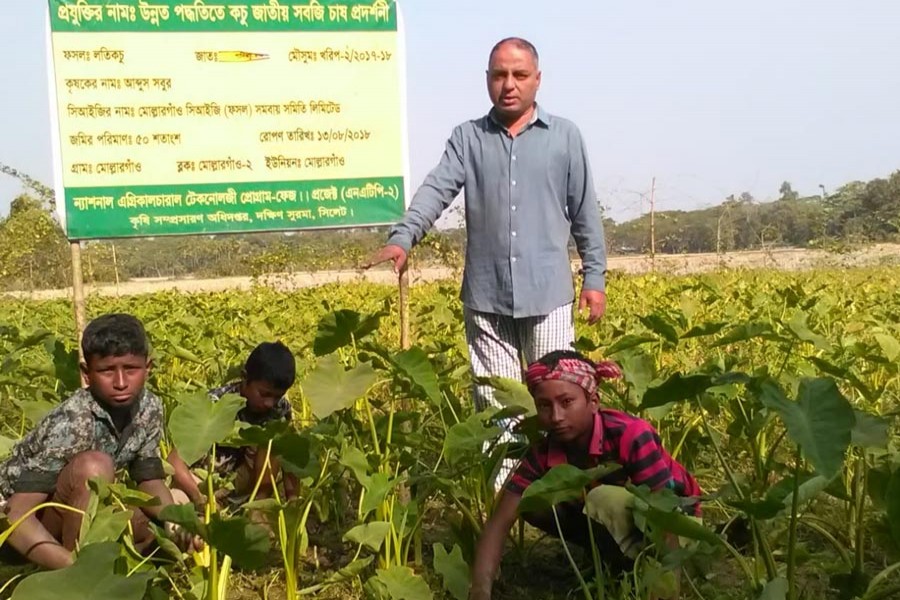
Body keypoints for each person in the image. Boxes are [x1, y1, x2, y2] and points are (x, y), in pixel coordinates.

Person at [364, 37, 608, 483]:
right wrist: (403, 239)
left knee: (559, 400)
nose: (508, 85)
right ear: (487, 80)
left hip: (548, 293)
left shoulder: (566, 137)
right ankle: (508, 506)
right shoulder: (467, 138)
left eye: (519, 75)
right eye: (499, 75)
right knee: (498, 410)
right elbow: (436, 190)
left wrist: (594, 277)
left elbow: (585, 212)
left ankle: (567, 497)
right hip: (486, 296)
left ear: (537, 80)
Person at [469, 351, 701, 600]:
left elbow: (664, 514)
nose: (556, 417)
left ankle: (644, 570)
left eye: (567, 402)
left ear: (593, 401)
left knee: (601, 498)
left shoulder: (630, 434)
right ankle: (610, 564)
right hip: (620, 520)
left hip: (679, 523)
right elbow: (500, 523)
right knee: (532, 502)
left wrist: (666, 588)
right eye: (544, 406)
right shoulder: (545, 451)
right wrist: (481, 590)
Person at [0, 313, 199, 570]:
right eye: (106, 371)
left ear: (148, 368)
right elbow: (16, 514)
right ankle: (71, 573)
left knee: (150, 526)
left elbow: (149, 479)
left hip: (71, 511)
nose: (120, 383)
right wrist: (74, 569)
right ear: (86, 373)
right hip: (17, 527)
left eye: (131, 370)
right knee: (94, 467)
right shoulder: (72, 421)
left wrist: (175, 522)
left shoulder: (149, 407)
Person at [168, 341, 298, 506]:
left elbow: (291, 456)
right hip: (200, 481)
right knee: (175, 513)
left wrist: (294, 503)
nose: (269, 403)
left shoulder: (280, 409)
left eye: (277, 396)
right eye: (264, 394)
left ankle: (257, 507)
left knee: (276, 437)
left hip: (242, 483)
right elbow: (174, 462)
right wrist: (201, 500)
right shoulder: (213, 404)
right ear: (244, 377)